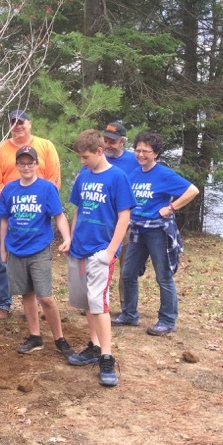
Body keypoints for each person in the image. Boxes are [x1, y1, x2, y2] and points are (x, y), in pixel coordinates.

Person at [65, 130, 135, 386]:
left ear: (99, 151)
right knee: (87, 302)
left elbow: (124, 216)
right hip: (79, 248)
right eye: (80, 157)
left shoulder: (118, 177)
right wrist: (71, 238)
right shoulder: (83, 177)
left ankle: (107, 356)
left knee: (98, 302)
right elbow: (78, 210)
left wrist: (111, 250)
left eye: (85, 156)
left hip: (101, 250)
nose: (82, 161)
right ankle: (94, 347)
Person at [116, 131, 200, 336]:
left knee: (163, 276)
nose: (141, 154)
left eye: (146, 151)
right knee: (128, 274)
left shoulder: (164, 174)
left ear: (156, 154)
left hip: (158, 232)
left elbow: (192, 190)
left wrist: (171, 207)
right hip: (137, 231)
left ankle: (167, 320)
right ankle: (129, 314)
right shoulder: (133, 173)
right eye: (138, 150)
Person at [0, 146, 74, 359]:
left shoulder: (47, 188)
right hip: (15, 249)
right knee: (26, 295)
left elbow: (58, 216)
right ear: (17, 166)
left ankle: (59, 339)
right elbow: (4, 219)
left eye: (30, 163)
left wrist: (67, 238)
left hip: (39, 249)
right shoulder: (9, 190)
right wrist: (2, 248)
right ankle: (35, 336)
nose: (27, 167)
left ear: (37, 165)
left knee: (46, 297)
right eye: (22, 163)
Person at [0, 110, 61, 320]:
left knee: (37, 259)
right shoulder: (0, 149)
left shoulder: (46, 146)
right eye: (13, 123)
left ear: (30, 123)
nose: (17, 126)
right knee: (5, 259)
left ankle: (41, 301)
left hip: (37, 212)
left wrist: (39, 200)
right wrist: (12, 201)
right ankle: (3, 303)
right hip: (9, 211)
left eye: (21, 122)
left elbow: (54, 177)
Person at [102, 121, 139, 308]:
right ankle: (97, 303)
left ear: (123, 142)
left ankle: (127, 307)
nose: (108, 145)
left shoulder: (134, 161)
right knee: (99, 264)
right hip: (101, 222)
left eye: (112, 142)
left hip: (126, 222)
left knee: (127, 268)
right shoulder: (98, 158)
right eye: (105, 140)